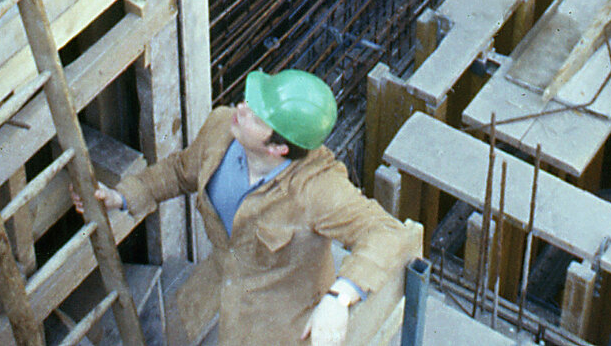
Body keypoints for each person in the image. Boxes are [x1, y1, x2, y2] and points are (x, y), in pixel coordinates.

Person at [82, 69, 412, 346]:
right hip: (215, 286)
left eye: (255, 115)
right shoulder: (220, 129)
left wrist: (340, 297)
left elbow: (387, 232)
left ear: (279, 148)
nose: (240, 108)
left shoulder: (317, 189)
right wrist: (123, 196)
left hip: (278, 319)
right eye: (249, 101)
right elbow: (179, 171)